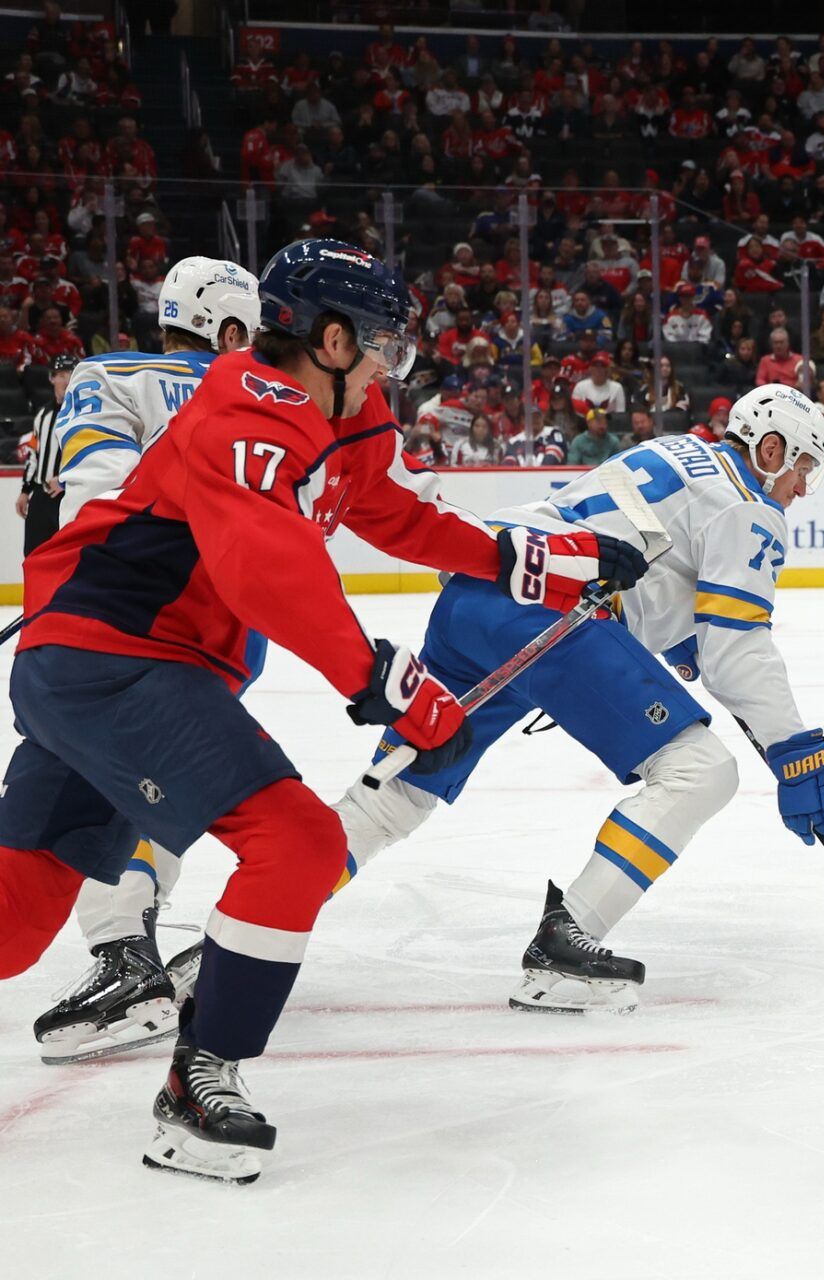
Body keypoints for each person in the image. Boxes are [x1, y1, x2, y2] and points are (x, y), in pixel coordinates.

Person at [0, 239, 647, 1183]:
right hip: (118, 660)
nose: (395, 365)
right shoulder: (244, 408)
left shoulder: (348, 410)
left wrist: (543, 563)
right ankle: (197, 1083)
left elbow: (395, 514)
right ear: (331, 339)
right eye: (383, 343)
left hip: (99, 667)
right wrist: (379, 679)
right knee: (298, 843)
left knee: (13, 930)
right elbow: (270, 566)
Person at [329, 384, 824, 1014]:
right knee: (702, 770)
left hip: (481, 591)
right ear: (770, 449)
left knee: (402, 788)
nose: (800, 489)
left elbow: (649, 550)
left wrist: (678, 630)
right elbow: (736, 646)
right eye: (802, 469)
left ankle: (260, 921)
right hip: (555, 618)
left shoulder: (681, 449)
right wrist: (795, 749)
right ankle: (567, 942)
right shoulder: (749, 506)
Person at [29, 260, 266, 1065]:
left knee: (103, 781)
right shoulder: (271, 394)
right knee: (159, 782)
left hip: (125, 618)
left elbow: (96, 492)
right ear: (232, 332)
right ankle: (143, 941)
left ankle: (124, 954)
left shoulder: (108, 374)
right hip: (234, 629)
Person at [16, 354, 74, 552]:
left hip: (69, 495)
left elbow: (91, 457)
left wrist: (66, 478)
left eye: (71, 374)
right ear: (52, 378)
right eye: (61, 375)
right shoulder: (43, 414)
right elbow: (33, 455)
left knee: (66, 556)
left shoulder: (85, 415)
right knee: (33, 554)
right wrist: (25, 491)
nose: (66, 380)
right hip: (41, 495)